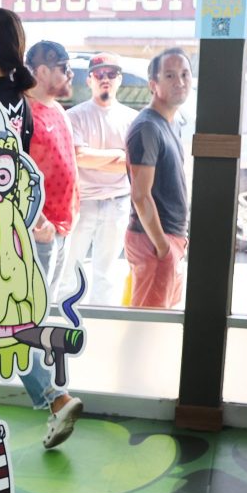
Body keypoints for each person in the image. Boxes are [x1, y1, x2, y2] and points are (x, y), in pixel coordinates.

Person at [0, 8, 82, 449]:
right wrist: (34, 218)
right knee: (8, 323)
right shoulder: (18, 100)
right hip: (14, 231)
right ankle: (55, 397)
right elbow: (21, 171)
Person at [64, 52, 136, 304]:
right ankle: (64, 320)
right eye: (99, 74)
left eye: (112, 74)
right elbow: (78, 156)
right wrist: (118, 155)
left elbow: (132, 165)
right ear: (89, 80)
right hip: (82, 202)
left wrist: (94, 157)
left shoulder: (132, 119)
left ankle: (100, 321)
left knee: (106, 275)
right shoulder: (74, 116)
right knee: (68, 271)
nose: (105, 79)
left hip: (118, 202)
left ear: (120, 79)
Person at [125, 48, 192, 309]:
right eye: (170, 75)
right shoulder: (148, 127)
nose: (180, 82)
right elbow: (140, 196)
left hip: (168, 240)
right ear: (153, 84)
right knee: (147, 324)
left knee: (162, 321)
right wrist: (163, 248)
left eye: (185, 74)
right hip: (154, 242)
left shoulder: (170, 123)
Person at [25, 40, 79, 299]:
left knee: (50, 301)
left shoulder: (57, 108)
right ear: (43, 71)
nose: (70, 74)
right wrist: (39, 221)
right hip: (39, 229)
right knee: (34, 305)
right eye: (63, 68)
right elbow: (14, 172)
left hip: (62, 226)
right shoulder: (23, 113)